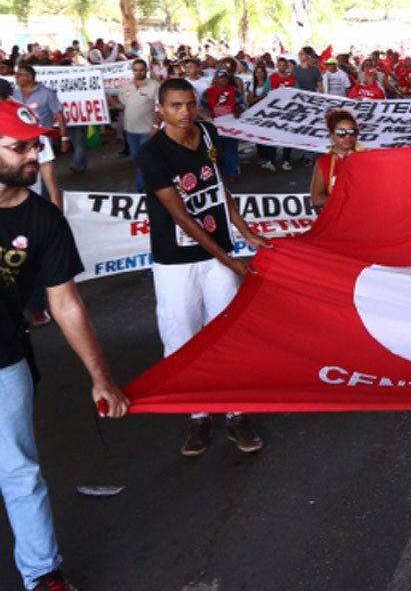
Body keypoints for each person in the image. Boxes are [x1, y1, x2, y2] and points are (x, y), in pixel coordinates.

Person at [0, 100, 128, 591]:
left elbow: (67, 304)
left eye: (36, 145)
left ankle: (42, 575)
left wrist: (101, 377)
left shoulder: (44, 220)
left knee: (20, 472)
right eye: (19, 148)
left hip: (5, 359)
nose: (33, 155)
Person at [134, 79, 270, 457]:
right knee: (183, 338)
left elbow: (219, 188)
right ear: (160, 109)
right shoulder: (152, 153)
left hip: (219, 254)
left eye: (191, 104)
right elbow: (180, 215)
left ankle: (237, 412)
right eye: (176, 105)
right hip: (176, 261)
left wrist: (246, 233)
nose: (186, 112)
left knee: (227, 333)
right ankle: (197, 415)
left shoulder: (208, 133)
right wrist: (229, 260)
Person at [13, 65, 76, 176]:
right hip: (20, 139)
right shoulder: (14, 93)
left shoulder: (47, 93)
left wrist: (64, 138)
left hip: (41, 140)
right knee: (23, 171)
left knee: (43, 169)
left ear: (30, 77)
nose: (16, 78)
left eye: (19, 75)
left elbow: (60, 115)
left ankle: (46, 192)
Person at [115, 58, 157, 191]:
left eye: (142, 70)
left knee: (142, 159)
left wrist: (156, 126)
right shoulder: (126, 87)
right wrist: (107, 100)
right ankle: (149, 183)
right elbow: (122, 105)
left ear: (146, 70)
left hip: (147, 130)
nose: (139, 72)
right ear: (132, 71)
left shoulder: (155, 86)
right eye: (136, 70)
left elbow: (161, 108)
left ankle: (142, 188)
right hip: (131, 130)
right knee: (136, 158)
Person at [310, 110, 365, 208]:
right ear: (332, 136)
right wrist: (347, 199)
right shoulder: (324, 163)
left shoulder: (367, 159)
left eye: (353, 132)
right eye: (341, 133)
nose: (348, 136)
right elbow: (317, 199)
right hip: (337, 220)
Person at [200, 71, 241, 181]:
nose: (223, 80)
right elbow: (203, 109)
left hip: (231, 126)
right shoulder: (207, 93)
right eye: (220, 78)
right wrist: (208, 118)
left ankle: (232, 173)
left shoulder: (235, 92)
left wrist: (238, 111)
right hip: (214, 126)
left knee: (231, 150)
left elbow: (242, 105)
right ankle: (215, 174)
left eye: (225, 78)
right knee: (214, 151)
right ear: (215, 79)